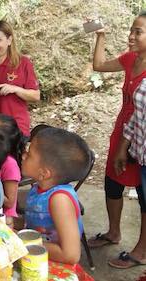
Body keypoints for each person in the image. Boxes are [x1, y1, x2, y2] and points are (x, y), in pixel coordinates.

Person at [87, 12, 146, 254]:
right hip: (123, 129)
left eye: (138, 32)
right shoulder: (131, 59)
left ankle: (141, 250)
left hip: (142, 136)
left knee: (144, 194)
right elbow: (99, 65)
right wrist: (101, 36)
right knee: (112, 181)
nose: (130, 36)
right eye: (131, 30)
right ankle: (113, 232)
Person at [22, 127, 91, 264]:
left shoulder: (60, 200)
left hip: (54, 266)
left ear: (44, 173)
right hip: (35, 259)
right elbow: (35, 221)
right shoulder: (39, 188)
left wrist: (22, 245)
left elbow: (70, 255)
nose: (23, 155)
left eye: (29, 154)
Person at [111, 79, 146, 268]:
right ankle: (142, 251)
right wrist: (123, 146)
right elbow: (137, 117)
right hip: (143, 157)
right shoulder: (145, 84)